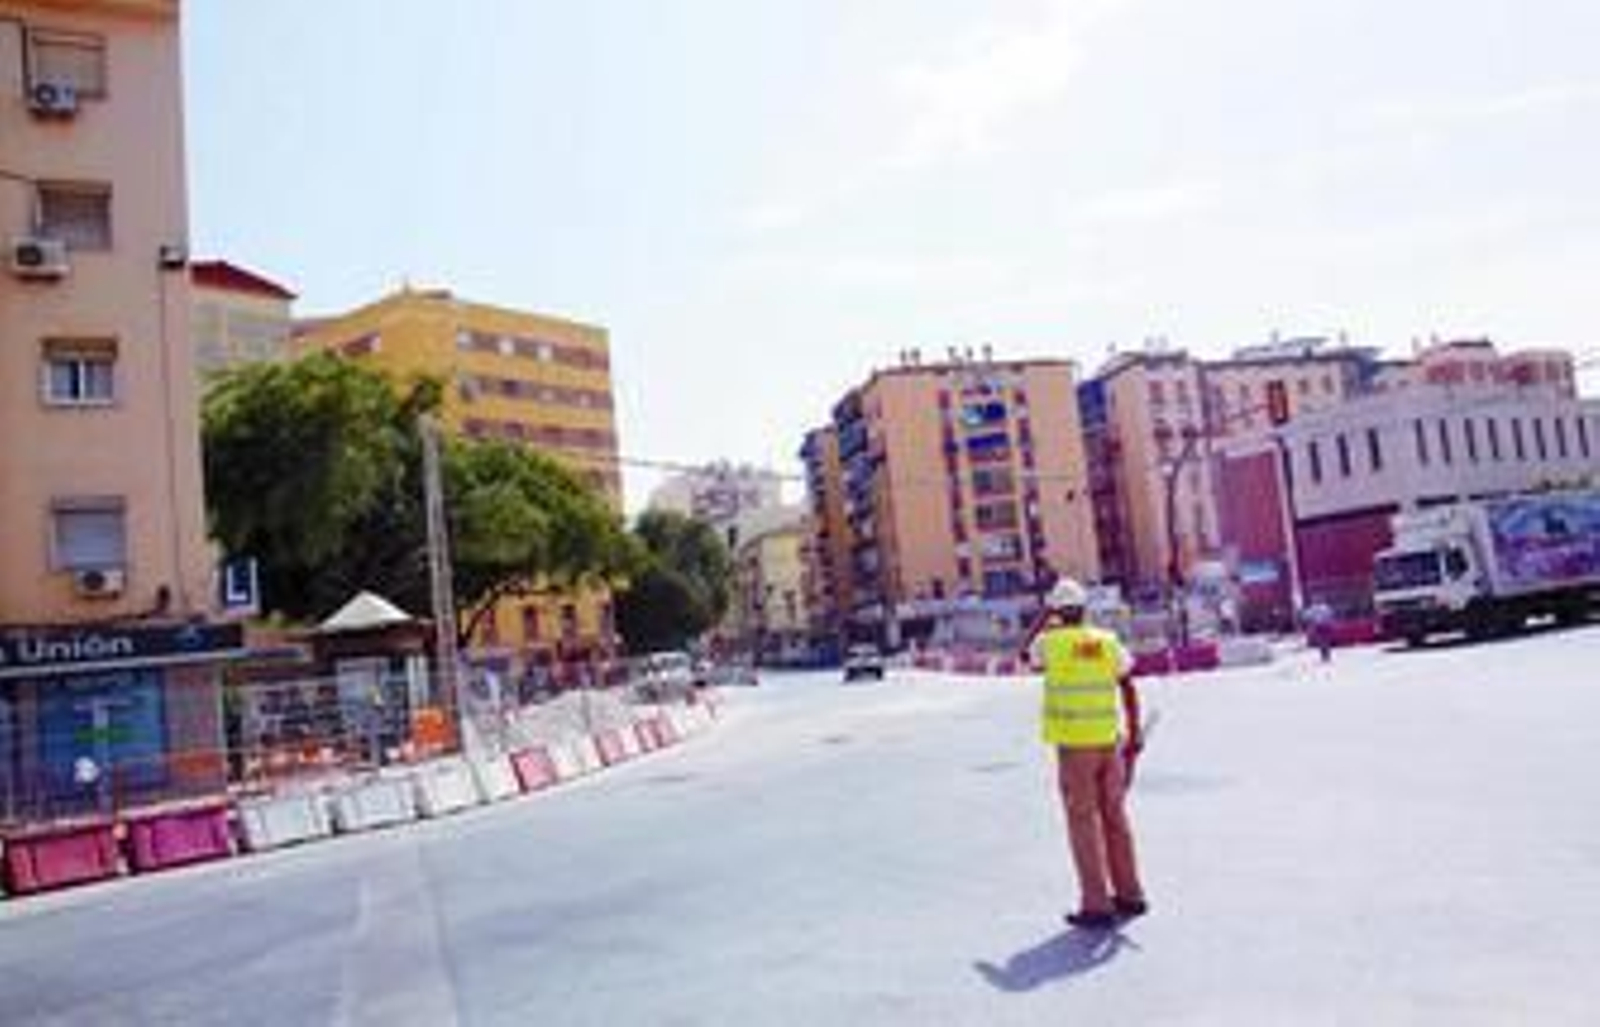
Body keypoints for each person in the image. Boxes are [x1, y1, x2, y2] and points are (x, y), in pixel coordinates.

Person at [1024, 578, 1148, 931]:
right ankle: (1130, 895)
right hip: (1109, 743)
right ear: (1084, 609)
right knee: (1115, 818)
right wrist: (1135, 732)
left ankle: (1096, 904)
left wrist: (1043, 618)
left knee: (1083, 822)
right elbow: (1128, 685)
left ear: (1056, 611)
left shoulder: (1049, 643)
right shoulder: (1106, 641)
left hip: (1075, 747)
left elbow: (1025, 657)